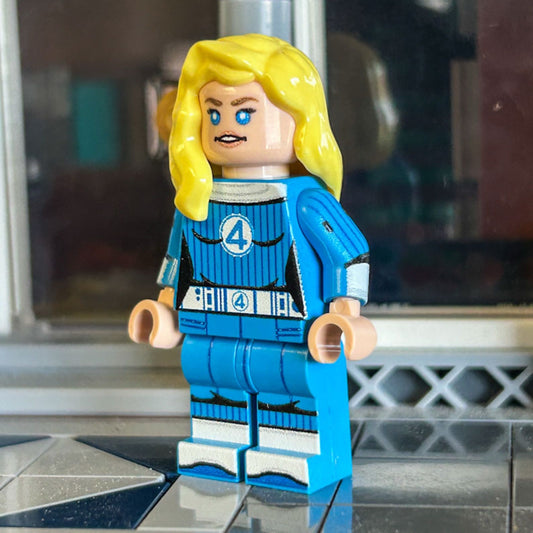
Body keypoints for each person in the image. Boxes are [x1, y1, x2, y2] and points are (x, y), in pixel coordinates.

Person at [129, 34, 376, 493]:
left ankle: (293, 454)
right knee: (211, 378)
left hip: (288, 326)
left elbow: (348, 251)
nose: (227, 125)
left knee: (289, 382)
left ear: (297, 119)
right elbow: (178, 260)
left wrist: (345, 310)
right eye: (214, 113)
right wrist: (164, 308)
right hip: (210, 322)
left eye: (244, 112)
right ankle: (216, 446)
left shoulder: (305, 201)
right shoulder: (197, 202)